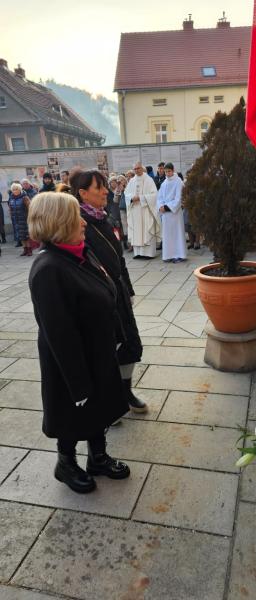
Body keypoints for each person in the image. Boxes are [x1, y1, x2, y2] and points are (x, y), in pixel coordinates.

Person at [28, 191, 130, 494]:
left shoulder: (81, 251)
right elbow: (59, 333)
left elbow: (106, 293)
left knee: (100, 406)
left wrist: (116, 337)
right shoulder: (49, 269)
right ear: (59, 222)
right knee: (73, 411)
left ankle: (98, 457)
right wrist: (78, 383)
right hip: (70, 359)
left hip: (98, 350)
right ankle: (66, 463)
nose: (83, 223)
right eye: (77, 217)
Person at [70, 169, 148, 414]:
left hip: (119, 293)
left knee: (130, 344)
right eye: (99, 187)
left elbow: (119, 260)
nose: (106, 191)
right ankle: (108, 401)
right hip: (99, 300)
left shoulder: (103, 218)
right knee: (105, 351)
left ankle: (125, 391)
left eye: (105, 186)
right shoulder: (78, 224)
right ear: (83, 194)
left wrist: (128, 289)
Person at [125, 161, 160, 259]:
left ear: (142, 168)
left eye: (138, 168)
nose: (136, 170)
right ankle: (138, 253)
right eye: (135, 169)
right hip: (135, 210)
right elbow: (126, 194)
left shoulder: (149, 180)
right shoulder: (132, 181)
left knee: (146, 231)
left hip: (145, 210)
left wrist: (141, 198)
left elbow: (154, 195)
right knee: (137, 231)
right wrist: (131, 198)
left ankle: (148, 253)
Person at [157, 163, 187, 263]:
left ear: (173, 170)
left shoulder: (178, 182)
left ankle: (179, 254)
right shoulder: (164, 183)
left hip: (175, 213)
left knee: (176, 234)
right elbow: (159, 197)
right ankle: (168, 255)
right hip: (166, 215)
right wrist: (160, 206)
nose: (167, 173)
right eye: (165, 172)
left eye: (169, 171)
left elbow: (179, 198)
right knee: (168, 235)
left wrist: (167, 207)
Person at [8, 183, 32, 256]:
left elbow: (30, 208)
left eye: (16, 189)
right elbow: (10, 208)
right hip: (16, 220)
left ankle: (29, 250)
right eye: (13, 190)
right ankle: (24, 249)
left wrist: (30, 217)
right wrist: (11, 215)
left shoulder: (24, 197)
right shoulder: (11, 198)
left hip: (24, 219)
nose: (15, 191)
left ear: (20, 189)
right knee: (20, 236)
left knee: (26, 235)